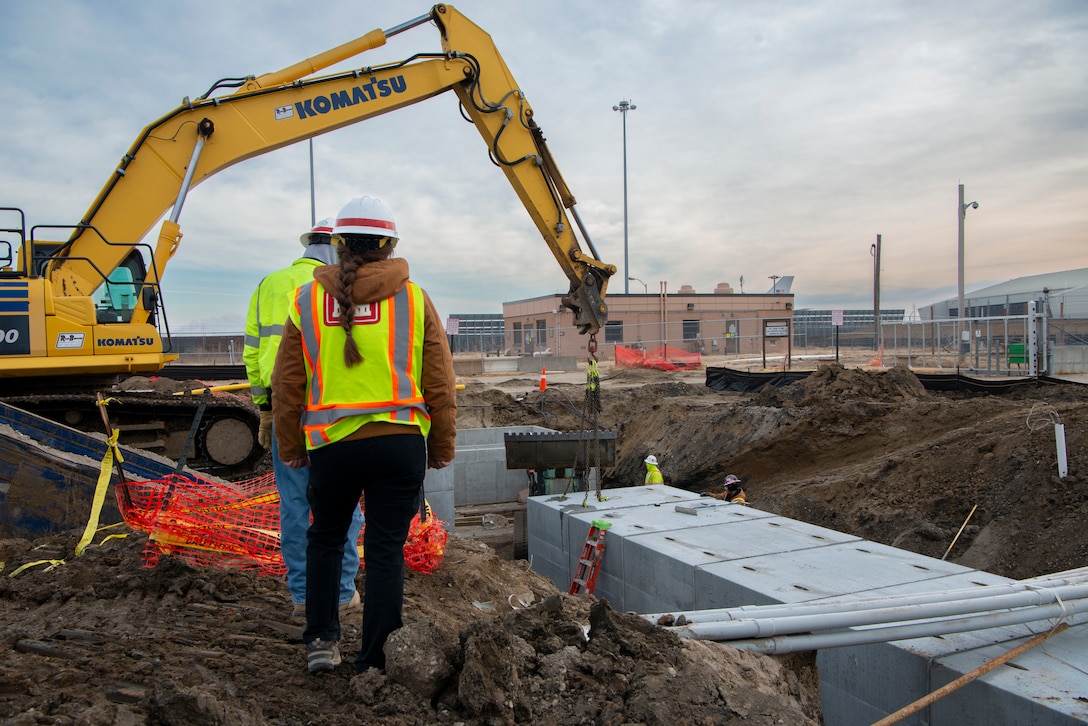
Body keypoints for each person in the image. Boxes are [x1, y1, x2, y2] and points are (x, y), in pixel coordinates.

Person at [271, 195, 457, 676]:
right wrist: (441, 447)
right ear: (389, 244)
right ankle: (375, 655)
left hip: (333, 449)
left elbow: (287, 384)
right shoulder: (414, 299)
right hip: (400, 446)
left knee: (326, 539)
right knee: (385, 548)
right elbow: (438, 380)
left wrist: (290, 446)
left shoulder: (307, 300)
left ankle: (320, 641)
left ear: (337, 244)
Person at [243, 218, 365, 622]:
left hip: (285, 411)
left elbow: (253, 352)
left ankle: (302, 598)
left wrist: (263, 408)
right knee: (344, 506)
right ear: (337, 246)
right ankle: (344, 593)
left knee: (294, 505)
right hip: (332, 414)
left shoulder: (270, 284)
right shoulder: (339, 287)